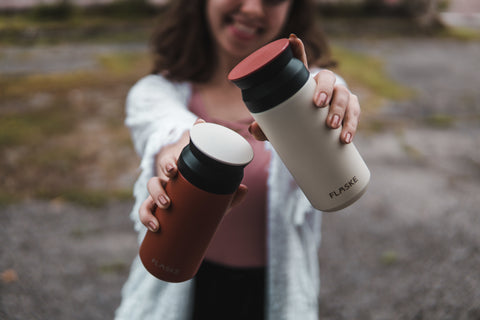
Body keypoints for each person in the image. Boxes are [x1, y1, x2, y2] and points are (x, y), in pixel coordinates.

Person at [115, 0, 361, 319]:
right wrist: (179, 167)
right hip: (182, 294)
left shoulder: (313, 91)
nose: (252, 9)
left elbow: (339, 166)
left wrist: (326, 110)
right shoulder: (155, 93)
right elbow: (168, 134)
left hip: (274, 294)